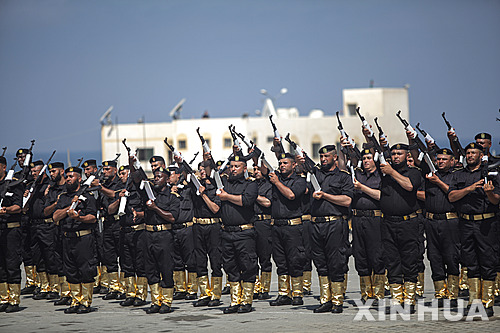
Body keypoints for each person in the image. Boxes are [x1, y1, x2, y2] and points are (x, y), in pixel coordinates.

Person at [297, 146, 353, 313]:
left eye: (326, 156)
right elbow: (306, 163)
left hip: (335, 224)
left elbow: (347, 201)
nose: (323, 159)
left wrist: (326, 196)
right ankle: (325, 300)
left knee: (336, 262)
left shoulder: (343, 177)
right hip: (316, 224)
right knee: (320, 263)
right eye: (321, 156)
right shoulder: (316, 174)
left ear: (335, 157)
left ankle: (337, 301)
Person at [448, 142, 499, 317]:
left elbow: (496, 201)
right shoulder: (459, 174)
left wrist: (489, 193)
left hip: (485, 224)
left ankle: (487, 302)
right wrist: (469, 189)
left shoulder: (490, 173)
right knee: (470, 263)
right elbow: (452, 196)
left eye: (473, 153)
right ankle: (474, 301)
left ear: (480, 155)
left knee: (487, 262)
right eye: (468, 153)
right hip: (465, 223)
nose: (470, 155)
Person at [131, 161, 180, 314]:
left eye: (159, 177)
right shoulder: (148, 193)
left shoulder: (172, 197)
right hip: (148, 234)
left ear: (167, 179)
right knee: (150, 269)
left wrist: (155, 208)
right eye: (155, 176)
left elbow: (172, 217)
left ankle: (166, 301)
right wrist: (132, 162)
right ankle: (155, 301)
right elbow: (136, 178)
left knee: (165, 269)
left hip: (164, 235)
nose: (156, 179)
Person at [379, 144, 422, 314]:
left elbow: (410, 186)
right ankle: (397, 301)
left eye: (399, 154)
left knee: (409, 261)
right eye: (394, 153)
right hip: (388, 223)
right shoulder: (385, 173)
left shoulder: (413, 172)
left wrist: (391, 173)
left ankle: (410, 300)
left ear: (407, 155)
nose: (396, 156)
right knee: (392, 262)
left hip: (408, 224)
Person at [262, 153, 307, 307]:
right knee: (280, 261)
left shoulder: (299, 181)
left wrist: (276, 183)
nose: (282, 165)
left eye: (285, 163)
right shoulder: (275, 179)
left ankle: (297, 293)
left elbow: (291, 195)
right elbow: (262, 169)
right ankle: (283, 293)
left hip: (293, 226)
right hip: (276, 226)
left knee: (294, 260)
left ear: (294, 165)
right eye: (280, 163)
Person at [53, 166, 98, 314]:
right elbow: (55, 217)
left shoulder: (88, 196)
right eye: (67, 176)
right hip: (67, 238)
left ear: (79, 178)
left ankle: (85, 302)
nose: (68, 179)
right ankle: (75, 300)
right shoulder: (64, 197)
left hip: (83, 238)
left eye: (71, 176)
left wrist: (78, 217)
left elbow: (92, 218)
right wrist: (69, 207)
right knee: (71, 271)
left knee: (85, 270)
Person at [217, 156, 258, 314]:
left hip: (244, 232)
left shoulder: (251, 184)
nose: (233, 169)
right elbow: (214, 172)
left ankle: (246, 301)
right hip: (227, 232)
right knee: (230, 267)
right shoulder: (224, 183)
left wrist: (227, 197)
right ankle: (235, 301)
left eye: (237, 166)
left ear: (244, 169)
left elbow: (246, 201)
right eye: (231, 166)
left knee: (248, 266)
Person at [422, 149, 460, 307]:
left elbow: (454, 194)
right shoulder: (430, 175)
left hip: (449, 221)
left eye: (445, 159)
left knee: (451, 257)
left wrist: (438, 182)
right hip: (431, 221)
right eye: (438, 159)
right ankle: (440, 293)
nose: (441, 161)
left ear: (452, 161)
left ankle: (452, 295)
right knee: (434, 257)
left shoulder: (456, 176)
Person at [108, 165, 148, 307]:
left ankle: (141, 294)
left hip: (138, 231)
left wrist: (140, 215)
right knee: (126, 265)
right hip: (123, 231)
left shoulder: (140, 191)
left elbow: (148, 210)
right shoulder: (120, 191)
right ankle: (130, 293)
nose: (121, 176)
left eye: (124, 173)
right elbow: (110, 210)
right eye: (120, 174)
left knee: (140, 264)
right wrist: (119, 199)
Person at [351, 149, 385, 307]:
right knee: (361, 256)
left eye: (369, 158)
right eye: (364, 158)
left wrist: (362, 188)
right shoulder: (357, 174)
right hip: (358, 219)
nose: (366, 161)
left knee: (376, 257)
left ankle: (378, 294)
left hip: (375, 218)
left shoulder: (380, 176)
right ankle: (366, 294)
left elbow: (380, 196)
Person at [189, 160, 223, 307]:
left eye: (204, 169)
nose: (202, 171)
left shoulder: (216, 186)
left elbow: (215, 209)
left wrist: (203, 195)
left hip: (213, 227)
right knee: (200, 262)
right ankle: (204, 294)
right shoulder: (195, 186)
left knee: (215, 262)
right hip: (198, 227)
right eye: (200, 169)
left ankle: (215, 295)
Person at [26, 160, 60, 301]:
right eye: (32, 171)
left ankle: (55, 287)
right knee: (38, 257)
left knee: (50, 256)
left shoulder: (50, 185)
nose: (34, 174)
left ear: (43, 171)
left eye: (36, 171)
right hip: (34, 225)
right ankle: (44, 285)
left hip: (47, 225)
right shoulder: (32, 186)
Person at [42, 162, 71, 306]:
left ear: (62, 171)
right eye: (50, 171)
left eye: (54, 171)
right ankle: (64, 293)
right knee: (58, 262)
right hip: (55, 229)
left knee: (70, 262)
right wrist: (55, 204)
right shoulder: (52, 190)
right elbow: (46, 211)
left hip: (69, 228)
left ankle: (75, 293)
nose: (51, 174)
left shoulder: (69, 188)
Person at [168, 165, 198, 301]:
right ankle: (180, 288)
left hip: (187, 228)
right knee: (176, 261)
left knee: (191, 260)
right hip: (173, 228)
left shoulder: (187, 190)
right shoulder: (166, 192)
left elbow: (193, 181)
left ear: (179, 175)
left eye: (171, 174)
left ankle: (192, 289)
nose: (169, 177)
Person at [98, 160, 126, 300]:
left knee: (124, 258)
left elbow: (114, 195)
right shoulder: (104, 185)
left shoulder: (120, 184)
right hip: (107, 224)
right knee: (109, 257)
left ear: (115, 170)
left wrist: (99, 187)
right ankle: (114, 287)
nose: (104, 171)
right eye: (103, 169)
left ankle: (125, 288)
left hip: (119, 224)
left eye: (108, 169)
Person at [0, 155, 24, 313]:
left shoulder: (14, 183)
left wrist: (5, 210)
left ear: (3, 167)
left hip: (11, 229)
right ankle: (3, 298)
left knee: (11, 265)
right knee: (0, 266)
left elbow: (18, 206)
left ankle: (14, 300)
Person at [252, 164, 273, 300]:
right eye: (254, 169)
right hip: (252, 222)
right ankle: (255, 286)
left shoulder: (269, 185)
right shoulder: (251, 184)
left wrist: (253, 195)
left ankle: (265, 288)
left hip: (264, 222)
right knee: (252, 258)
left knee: (264, 257)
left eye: (258, 169)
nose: (256, 172)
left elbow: (267, 203)